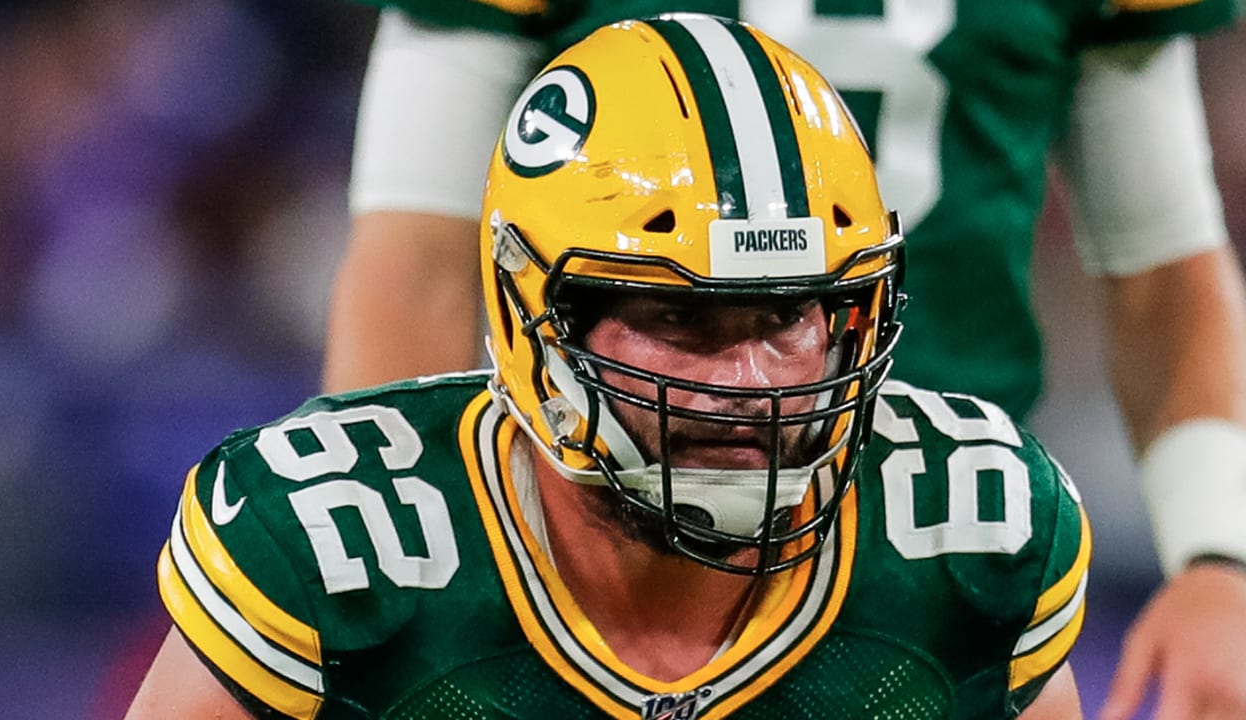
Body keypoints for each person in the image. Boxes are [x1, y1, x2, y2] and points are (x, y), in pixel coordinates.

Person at [127, 16, 1090, 718]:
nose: (751, 382)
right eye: (680, 318)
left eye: (785, 315)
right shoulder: (343, 546)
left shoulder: (970, 532)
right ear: (537, 317)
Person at [324, 2, 1246, 718]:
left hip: (932, 535)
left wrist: (1219, 558)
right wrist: (397, 565)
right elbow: (420, 257)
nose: (746, 377)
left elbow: (1163, 262)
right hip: (587, 528)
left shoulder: (996, 526)